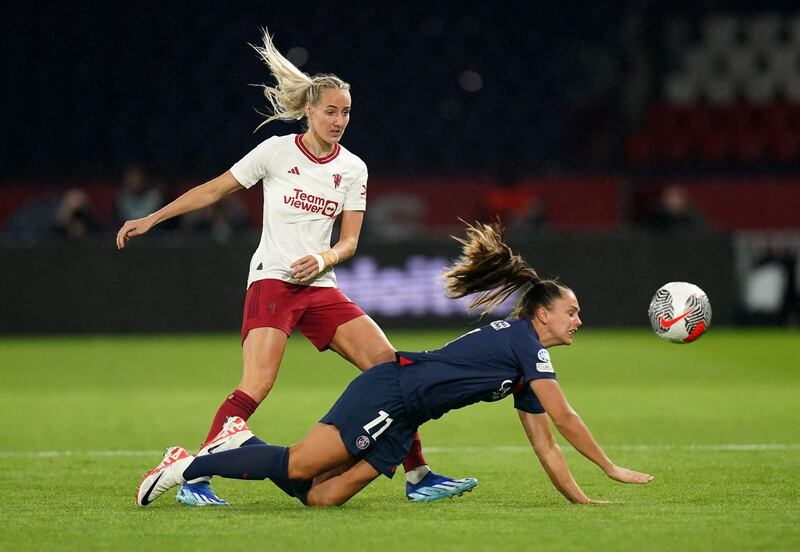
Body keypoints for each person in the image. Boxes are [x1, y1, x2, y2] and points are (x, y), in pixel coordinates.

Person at [117, 29, 474, 506]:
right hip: (273, 279)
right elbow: (214, 190)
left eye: (346, 111)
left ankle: (419, 476)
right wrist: (153, 218)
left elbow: (348, 242)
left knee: (392, 372)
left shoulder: (353, 168)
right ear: (309, 110)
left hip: (320, 285)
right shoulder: (277, 151)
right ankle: (193, 474)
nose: (339, 120)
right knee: (257, 385)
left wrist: (324, 257)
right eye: (331, 110)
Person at [136, 222, 654, 508]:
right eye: (572, 312)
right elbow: (566, 419)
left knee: (320, 497)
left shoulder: (524, 363)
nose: (578, 321)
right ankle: (189, 462)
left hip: (405, 418)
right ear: (543, 314)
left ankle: (246, 448)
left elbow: (544, 442)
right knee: (296, 466)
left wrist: (583, 502)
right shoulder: (527, 345)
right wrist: (610, 468)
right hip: (392, 394)